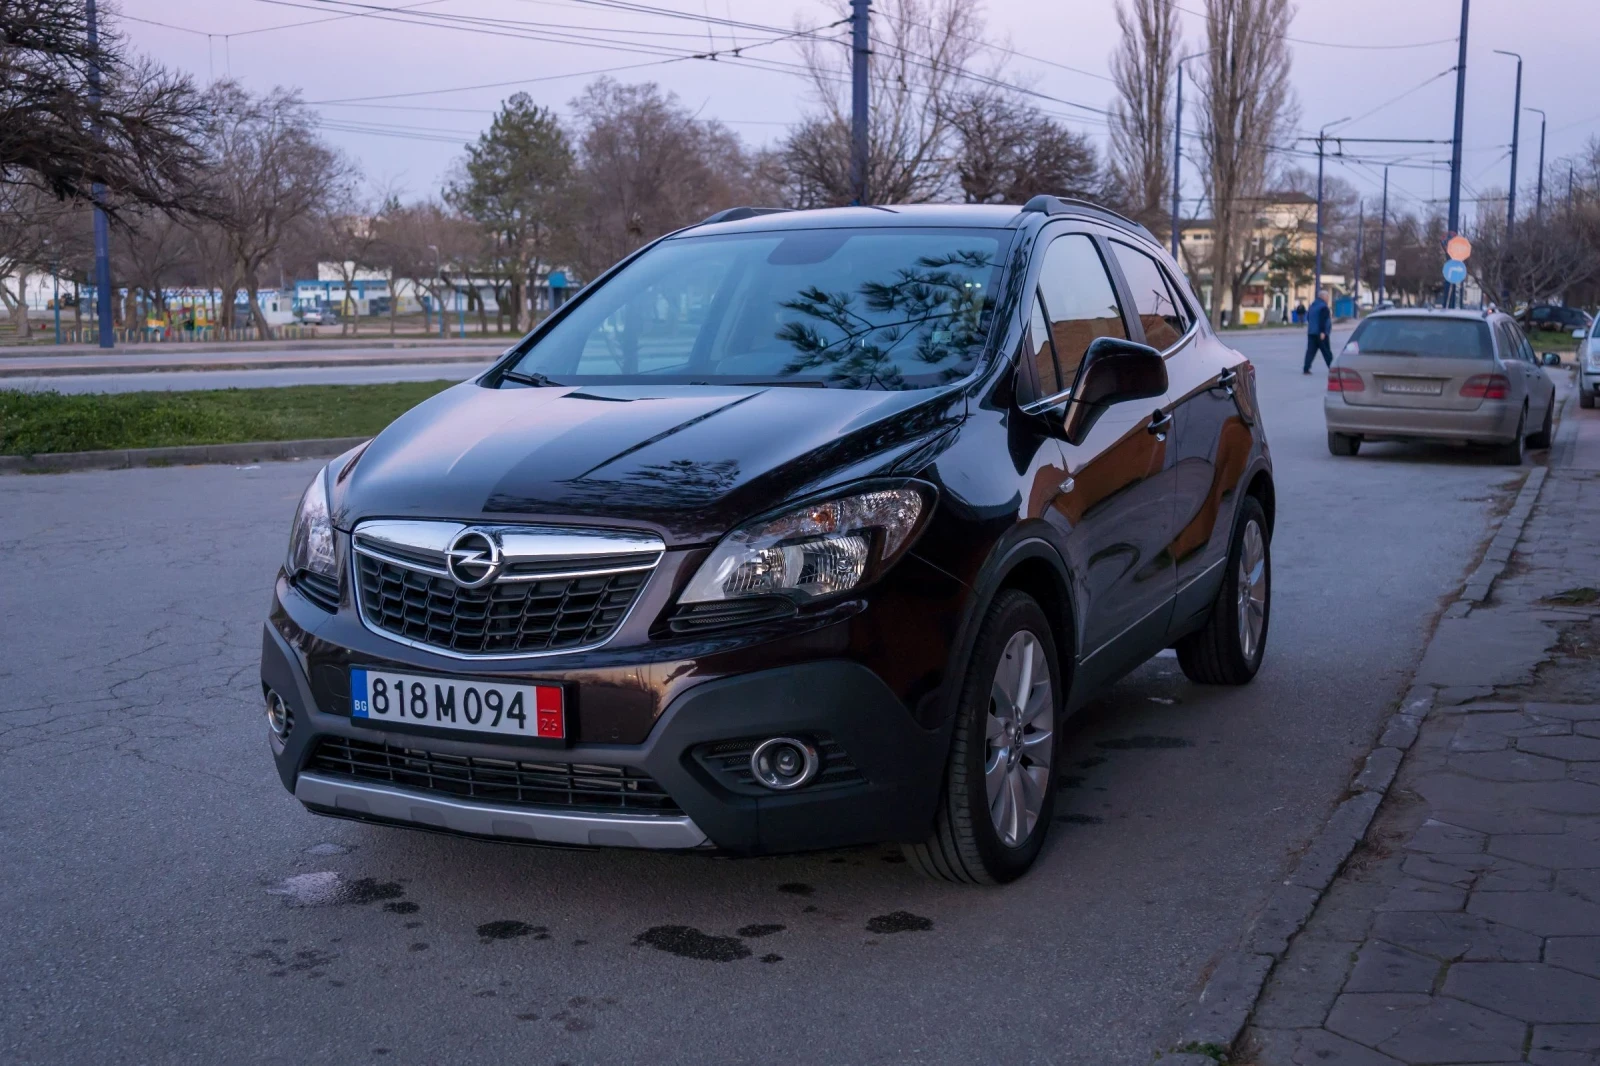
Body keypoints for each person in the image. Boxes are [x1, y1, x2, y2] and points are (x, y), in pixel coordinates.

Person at [1303, 291, 1333, 374]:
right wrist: (1323, 332)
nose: (1328, 299)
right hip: (1321, 333)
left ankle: (1306, 368)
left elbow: (1308, 318)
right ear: (1323, 297)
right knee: (1326, 352)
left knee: (1310, 351)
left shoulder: (1312, 306)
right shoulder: (1323, 307)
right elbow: (1323, 320)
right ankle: (1333, 368)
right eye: (1327, 297)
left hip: (1311, 332)